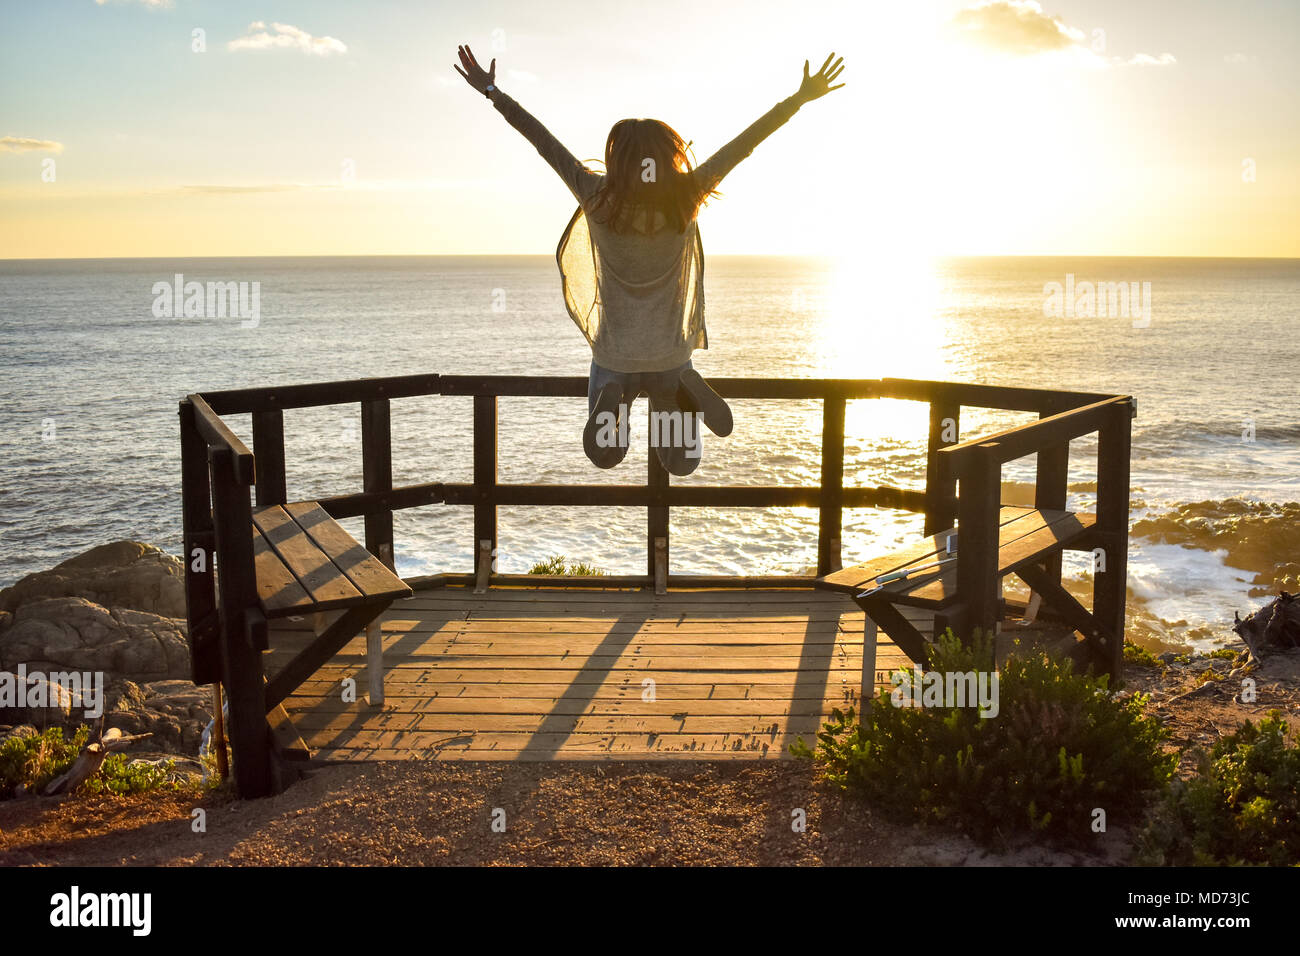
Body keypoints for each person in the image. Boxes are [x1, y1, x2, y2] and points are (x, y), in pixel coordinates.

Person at [454, 45, 845, 474]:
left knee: (606, 456)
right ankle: (679, 387)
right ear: (667, 155)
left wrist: (492, 90)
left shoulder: (594, 193)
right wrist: (798, 98)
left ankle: (616, 402)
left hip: (615, 354)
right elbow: (745, 145)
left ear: (616, 157)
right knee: (679, 463)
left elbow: (541, 141)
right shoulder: (686, 195)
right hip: (670, 354)